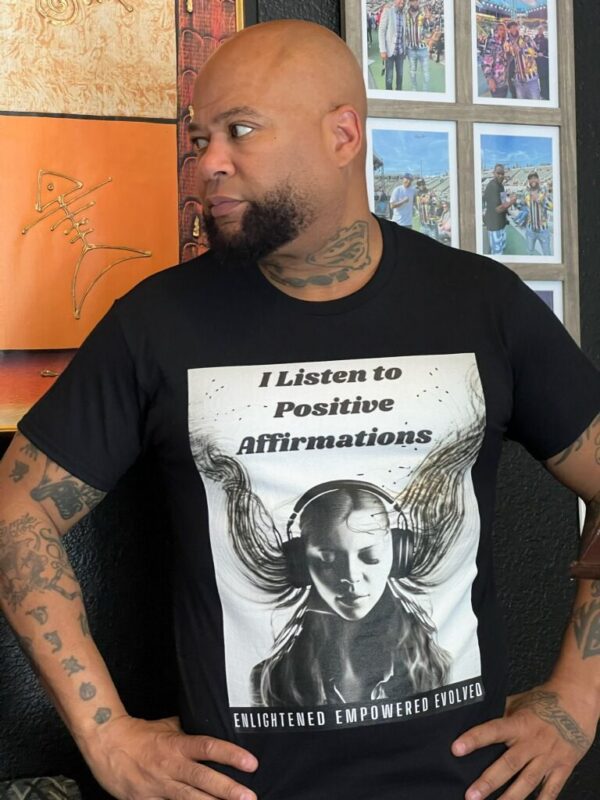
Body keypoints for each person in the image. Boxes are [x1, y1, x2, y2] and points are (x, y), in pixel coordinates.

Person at [0, 18, 599, 800]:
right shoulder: (157, 325)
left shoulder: (481, 307)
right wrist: (105, 735)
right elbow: (18, 511)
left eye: (240, 131)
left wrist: (578, 700)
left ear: (343, 134)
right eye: (199, 138)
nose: (207, 164)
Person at [483, 163, 517, 256]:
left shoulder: (500, 185)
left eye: (502, 173)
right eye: (498, 173)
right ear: (494, 173)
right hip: (494, 225)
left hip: (501, 223)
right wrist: (511, 201)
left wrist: (509, 199)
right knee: (497, 253)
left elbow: (504, 201)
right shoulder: (492, 186)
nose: (501, 175)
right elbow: (498, 209)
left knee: (501, 248)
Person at [506, 19, 541, 100]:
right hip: (518, 81)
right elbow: (509, 55)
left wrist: (522, 49)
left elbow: (535, 53)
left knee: (535, 104)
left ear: (518, 28)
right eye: (510, 27)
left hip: (531, 79)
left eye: (514, 26)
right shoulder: (508, 42)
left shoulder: (526, 38)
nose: (513, 29)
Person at [521, 171, 553, 257]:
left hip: (543, 230)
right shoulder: (526, 192)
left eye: (535, 178)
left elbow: (552, 207)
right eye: (530, 179)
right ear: (528, 181)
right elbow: (523, 203)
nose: (533, 180)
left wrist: (541, 200)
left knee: (547, 254)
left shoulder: (544, 191)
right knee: (529, 252)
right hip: (530, 229)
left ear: (538, 180)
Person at [378, 0, 406, 91]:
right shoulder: (388, 11)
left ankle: (399, 94)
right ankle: (389, 96)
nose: (402, 1)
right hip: (389, 52)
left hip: (400, 52)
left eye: (404, 0)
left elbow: (404, 33)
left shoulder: (404, 14)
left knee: (400, 76)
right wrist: (382, 50)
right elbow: (381, 31)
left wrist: (404, 51)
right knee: (389, 78)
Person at [405, 0, 430, 92]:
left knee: (426, 74)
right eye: (412, 1)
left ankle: (425, 93)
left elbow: (428, 27)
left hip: (422, 49)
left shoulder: (423, 13)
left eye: (416, 1)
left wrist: (428, 19)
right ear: (409, 3)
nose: (415, 3)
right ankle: (414, 89)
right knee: (412, 73)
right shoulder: (405, 14)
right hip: (411, 49)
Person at [481, 22, 510, 98]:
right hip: (496, 83)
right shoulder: (492, 42)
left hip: (504, 82)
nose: (502, 32)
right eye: (500, 29)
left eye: (504, 30)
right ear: (496, 30)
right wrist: (490, 79)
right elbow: (485, 62)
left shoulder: (504, 43)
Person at [534, 24, 550, 100]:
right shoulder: (534, 39)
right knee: (537, 78)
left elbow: (548, 51)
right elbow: (531, 49)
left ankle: (545, 94)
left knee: (544, 78)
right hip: (536, 62)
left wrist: (543, 53)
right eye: (539, 29)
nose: (540, 30)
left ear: (543, 30)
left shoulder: (546, 40)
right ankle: (539, 93)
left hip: (543, 62)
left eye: (541, 29)